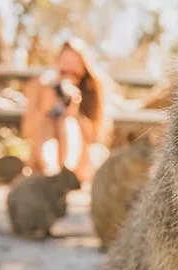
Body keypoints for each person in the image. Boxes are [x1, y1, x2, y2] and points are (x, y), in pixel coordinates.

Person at [21, 39, 116, 182]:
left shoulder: (92, 90)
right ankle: (52, 175)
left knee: (68, 121)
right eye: (63, 71)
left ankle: (65, 174)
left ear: (84, 69)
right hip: (43, 159)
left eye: (75, 73)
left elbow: (97, 138)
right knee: (48, 122)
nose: (69, 77)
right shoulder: (42, 86)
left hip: (79, 162)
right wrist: (44, 109)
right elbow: (27, 131)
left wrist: (75, 113)